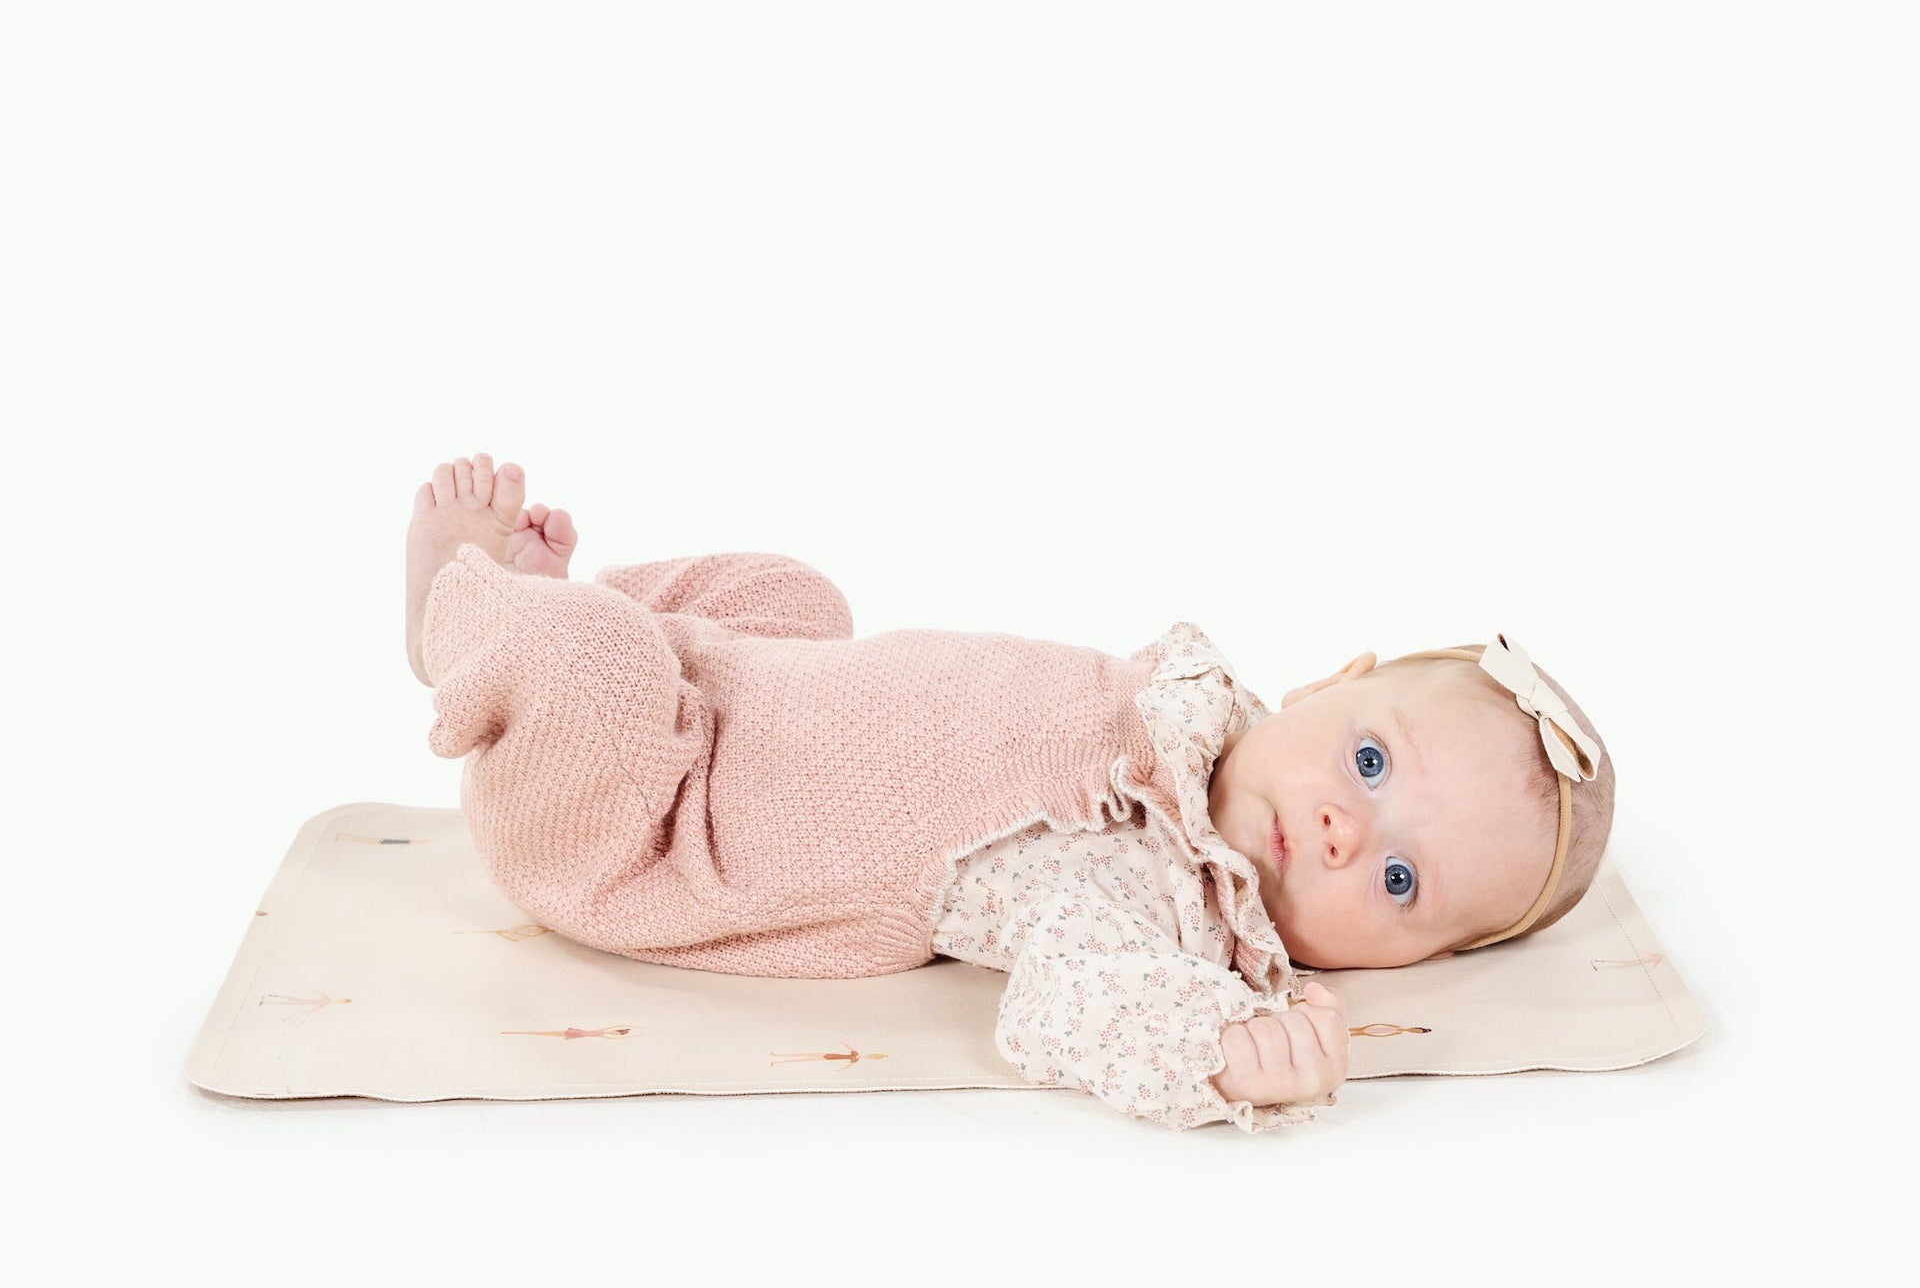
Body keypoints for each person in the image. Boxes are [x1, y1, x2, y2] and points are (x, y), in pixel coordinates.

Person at [406, 454, 1614, 1134]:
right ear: (1328, 685)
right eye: (1371, 762)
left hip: (654, 823)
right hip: (732, 690)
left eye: (1400, 880)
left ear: (1412, 961)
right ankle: (562, 617)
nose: (1351, 831)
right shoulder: (1187, 719)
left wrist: (1230, 1052)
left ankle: (466, 623)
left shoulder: (1157, 893)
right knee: (796, 596)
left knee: (591, 667)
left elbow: (1074, 1005)